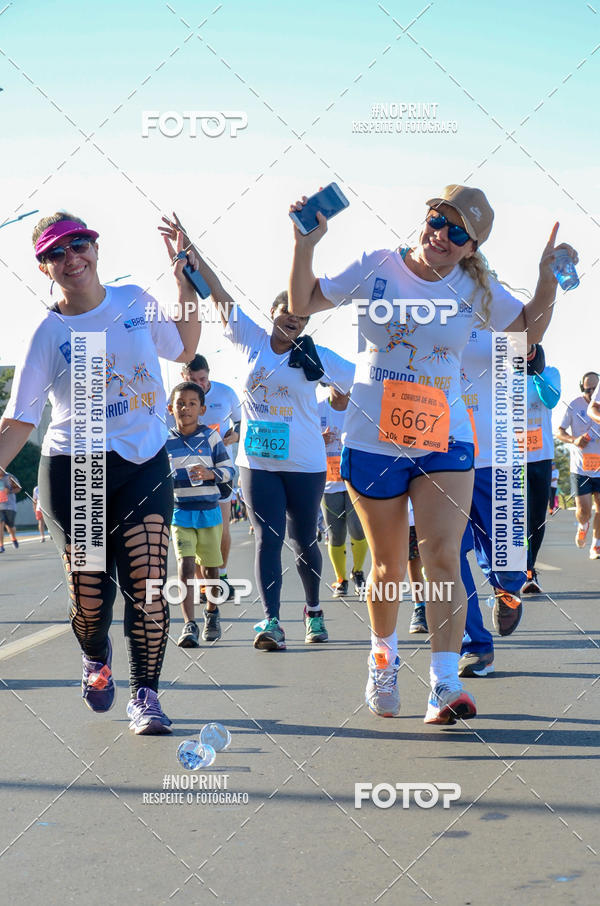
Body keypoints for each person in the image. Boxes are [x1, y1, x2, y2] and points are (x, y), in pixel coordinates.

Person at [289, 183, 576, 723]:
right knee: (389, 565)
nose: (442, 235)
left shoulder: (475, 287)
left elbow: (526, 334)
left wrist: (545, 280)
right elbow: (303, 302)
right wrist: (306, 243)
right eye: (437, 221)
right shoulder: (377, 264)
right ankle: (382, 661)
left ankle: (445, 683)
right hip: (374, 438)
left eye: (458, 233)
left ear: (472, 248)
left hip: (445, 438)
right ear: (425, 219)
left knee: (443, 557)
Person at [0, 211, 201, 734]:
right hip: (79, 470)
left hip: (143, 462)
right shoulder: (48, 333)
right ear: (44, 268)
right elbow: (19, 420)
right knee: (90, 600)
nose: (71, 258)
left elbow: (184, 348)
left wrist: (184, 280)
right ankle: (95, 654)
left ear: (95, 247)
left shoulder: (135, 302)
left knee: (149, 583)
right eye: (56, 253)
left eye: (78, 244)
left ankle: (146, 694)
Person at [159, 211, 354, 650]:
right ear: (273, 313)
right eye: (288, 314)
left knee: (304, 540)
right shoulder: (250, 338)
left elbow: (351, 391)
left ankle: (313, 611)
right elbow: (219, 293)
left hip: (305, 463)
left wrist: (332, 389)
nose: (294, 321)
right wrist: (190, 250)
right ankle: (271, 622)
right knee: (268, 538)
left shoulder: (318, 356)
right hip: (258, 462)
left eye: (302, 318)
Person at [166, 382, 235, 647]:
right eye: (180, 404)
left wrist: (210, 474)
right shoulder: (164, 442)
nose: (186, 408)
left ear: (202, 409)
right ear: (171, 409)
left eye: (192, 403)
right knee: (185, 567)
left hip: (209, 513)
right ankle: (189, 624)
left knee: (210, 569)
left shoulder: (211, 438)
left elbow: (229, 470)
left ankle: (212, 612)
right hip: (180, 513)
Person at [178, 354, 241, 598]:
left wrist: (236, 435)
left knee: (220, 529)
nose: (199, 384)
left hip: (220, 471)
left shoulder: (226, 393)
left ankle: (221, 576)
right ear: (183, 377)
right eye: (193, 380)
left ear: (209, 375)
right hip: (188, 474)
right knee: (193, 530)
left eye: (202, 379)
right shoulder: (179, 398)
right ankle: (203, 584)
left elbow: (242, 422)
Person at [319, 384, 368, 598]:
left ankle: (358, 572)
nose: (340, 387)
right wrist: (318, 439)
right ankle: (341, 579)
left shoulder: (360, 407)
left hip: (355, 479)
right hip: (329, 482)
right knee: (335, 534)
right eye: (335, 382)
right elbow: (303, 439)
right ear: (328, 383)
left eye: (345, 383)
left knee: (358, 529)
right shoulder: (317, 408)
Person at [521, 344, 561, 593]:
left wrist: (536, 373)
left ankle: (530, 567)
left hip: (541, 456)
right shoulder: (503, 377)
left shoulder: (550, 373)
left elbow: (550, 399)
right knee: (517, 515)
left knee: (536, 517)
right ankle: (523, 570)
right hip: (511, 456)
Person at [557, 371, 600, 559]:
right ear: (582, 388)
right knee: (583, 511)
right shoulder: (574, 405)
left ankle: (596, 545)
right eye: (587, 389)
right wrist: (574, 440)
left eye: (594, 389)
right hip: (581, 468)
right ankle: (583, 526)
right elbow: (559, 431)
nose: (591, 392)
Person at [0, 471, 21, 552]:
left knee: (10, 526)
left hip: (10, 506)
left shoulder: (10, 477)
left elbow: (18, 488)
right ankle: (1, 545)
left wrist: (9, 491)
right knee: (1, 524)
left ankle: (13, 537)